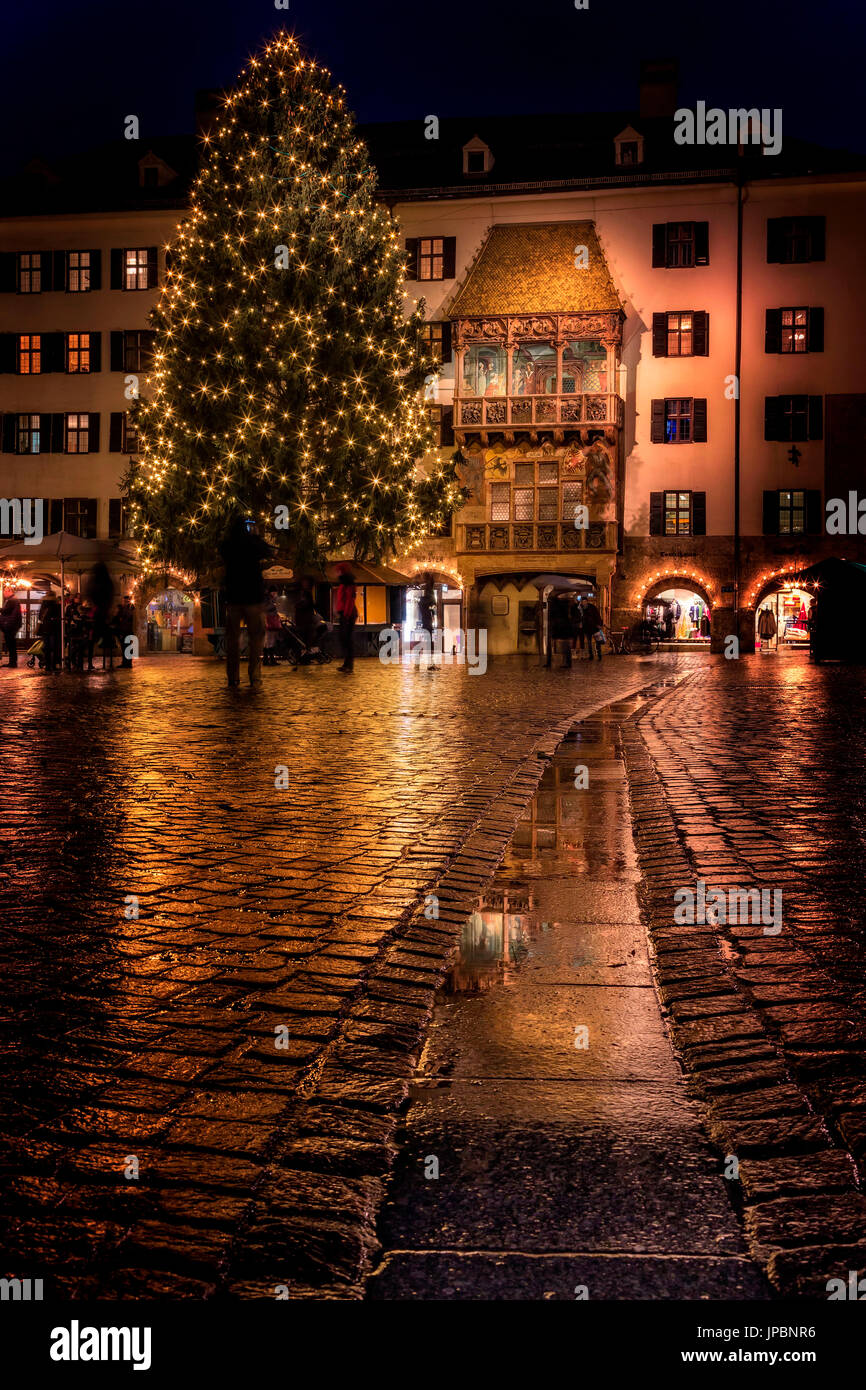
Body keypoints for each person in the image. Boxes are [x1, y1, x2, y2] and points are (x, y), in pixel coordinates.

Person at [219, 515, 271, 688]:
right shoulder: (252, 543)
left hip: (234, 597)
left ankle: (232, 677)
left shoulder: (228, 545)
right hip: (253, 597)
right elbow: (267, 551)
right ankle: (254, 676)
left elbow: (222, 552)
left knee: (233, 640)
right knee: (256, 638)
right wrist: (255, 536)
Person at [334, 564, 358, 673]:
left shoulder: (348, 584)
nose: (336, 573)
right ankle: (347, 663)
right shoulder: (344, 583)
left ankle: (349, 665)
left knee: (347, 639)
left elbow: (349, 600)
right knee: (344, 639)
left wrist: (346, 615)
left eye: (338, 571)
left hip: (348, 614)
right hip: (344, 613)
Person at [38, 591, 62, 672]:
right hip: (54, 629)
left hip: (45, 628)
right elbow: (59, 617)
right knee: (55, 647)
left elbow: (40, 617)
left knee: (46, 647)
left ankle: (47, 665)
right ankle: (54, 664)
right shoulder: (57, 605)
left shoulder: (43, 605)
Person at [418, 573, 437, 671]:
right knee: (428, 643)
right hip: (427, 623)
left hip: (427, 623)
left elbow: (432, 607)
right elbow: (431, 606)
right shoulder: (426, 599)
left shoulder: (425, 599)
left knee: (428, 642)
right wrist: (432, 607)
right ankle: (429, 662)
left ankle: (430, 662)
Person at [0, 594, 23, 667]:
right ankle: (13, 662)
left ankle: (12, 662)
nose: (4, 593)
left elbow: (5, 611)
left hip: (10, 625)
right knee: (12, 644)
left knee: (10, 644)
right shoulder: (14, 599)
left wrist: (1, 609)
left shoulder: (12, 600)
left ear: (9, 591)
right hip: (13, 624)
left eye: (6, 591)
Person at [581, 595, 603, 660]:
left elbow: (597, 616)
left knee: (598, 642)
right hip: (587, 628)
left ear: (587, 601)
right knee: (589, 642)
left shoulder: (592, 607)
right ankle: (591, 655)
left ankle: (599, 655)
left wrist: (599, 624)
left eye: (585, 601)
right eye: (583, 602)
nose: (584, 603)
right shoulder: (581, 609)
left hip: (595, 627)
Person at [116, 595, 136, 668]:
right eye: (123, 601)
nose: (124, 602)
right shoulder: (123, 609)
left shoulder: (130, 609)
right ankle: (125, 663)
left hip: (127, 631)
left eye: (126, 601)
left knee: (128, 647)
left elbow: (126, 619)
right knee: (124, 647)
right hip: (123, 631)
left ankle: (128, 663)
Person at [263, 590, 282, 665]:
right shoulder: (268, 600)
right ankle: (270, 660)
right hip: (269, 622)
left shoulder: (269, 600)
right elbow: (266, 609)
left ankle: (268, 659)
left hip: (268, 622)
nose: (275, 594)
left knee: (268, 641)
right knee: (270, 641)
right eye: (274, 592)